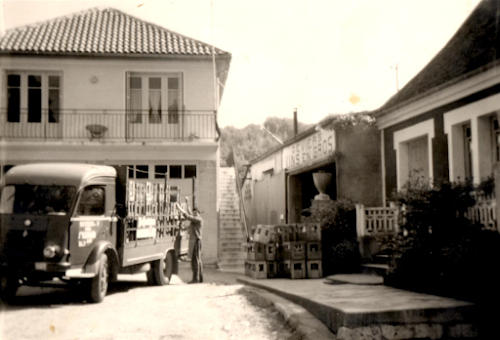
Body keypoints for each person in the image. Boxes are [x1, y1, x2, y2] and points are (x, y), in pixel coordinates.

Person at [176, 198, 203, 284]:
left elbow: (188, 216)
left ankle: (196, 279)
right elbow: (190, 213)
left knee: (195, 260)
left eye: (196, 212)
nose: (194, 213)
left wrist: (179, 208)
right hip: (196, 241)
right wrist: (187, 203)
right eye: (194, 212)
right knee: (198, 260)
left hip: (196, 241)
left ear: (198, 213)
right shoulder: (196, 218)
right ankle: (200, 278)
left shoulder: (198, 219)